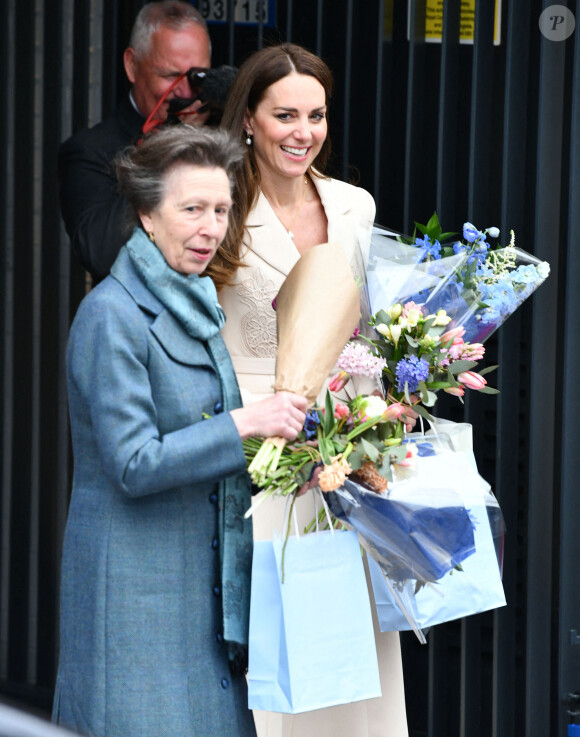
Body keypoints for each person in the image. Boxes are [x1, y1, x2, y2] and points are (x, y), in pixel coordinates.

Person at [52, 125, 308, 737]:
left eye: (221, 210)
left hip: (202, 591)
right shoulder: (111, 314)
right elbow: (133, 463)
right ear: (145, 214)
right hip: (135, 590)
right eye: (192, 209)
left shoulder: (192, 300)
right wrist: (245, 424)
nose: (211, 227)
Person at [217, 44, 409, 737]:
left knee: (356, 647)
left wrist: (392, 396)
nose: (303, 131)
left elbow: (370, 322)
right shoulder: (219, 205)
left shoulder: (354, 205)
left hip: (350, 450)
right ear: (248, 119)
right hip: (258, 452)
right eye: (285, 115)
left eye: (317, 115)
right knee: (279, 631)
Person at [58, 0, 212, 282]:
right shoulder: (90, 150)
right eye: (169, 75)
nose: (185, 91)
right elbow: (100, 255)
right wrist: (168, 143)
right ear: (131, 66)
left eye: (196, 77)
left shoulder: (218, 132)